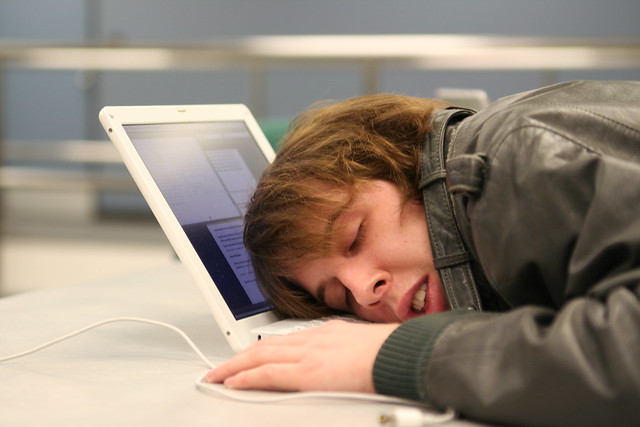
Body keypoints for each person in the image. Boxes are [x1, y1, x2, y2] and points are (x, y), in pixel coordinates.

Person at [204, 80, 640, 426]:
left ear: (402, 163)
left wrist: (399, 356)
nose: (364, 289)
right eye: (340, 297)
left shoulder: (519, 158)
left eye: (356, 236)